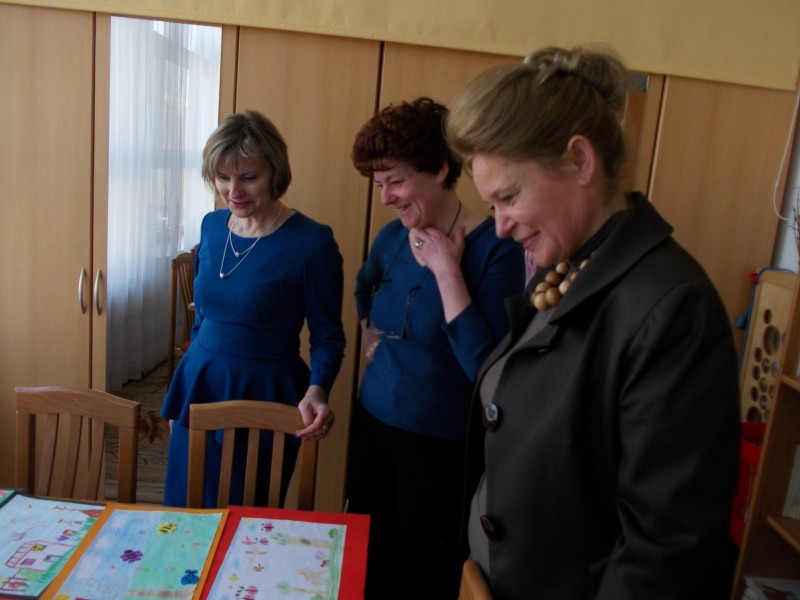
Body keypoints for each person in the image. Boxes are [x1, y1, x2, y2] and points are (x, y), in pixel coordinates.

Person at [445, 46, 741, 599]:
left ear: (580, 161)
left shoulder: (673, 308)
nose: (500, 227)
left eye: (509, 197)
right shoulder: (564, 268)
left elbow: (664, 552)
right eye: (491, 206)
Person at [347, 97, 525, 599]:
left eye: (396, 181)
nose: (386, 197)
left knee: (425, 574)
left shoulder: (498, 249)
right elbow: (363, 286)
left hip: (441, 446)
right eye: (379, 184)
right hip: (373, 426)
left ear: (440, 169)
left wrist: (448, 272)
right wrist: (370, 332)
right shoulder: (391, 238)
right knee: (369, 564)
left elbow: (487, 368)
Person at [161, 110, 345, 508]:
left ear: (275, 172)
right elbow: (202, 317)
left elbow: (328, 336)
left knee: (245, 517)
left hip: (263, 394)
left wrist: (318, 389)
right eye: (222, 178)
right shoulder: (212, 226)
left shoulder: (312, 243)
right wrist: (182, 394)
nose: (234, 191)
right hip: (200, 384)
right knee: (183, 511)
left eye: (248, 177)